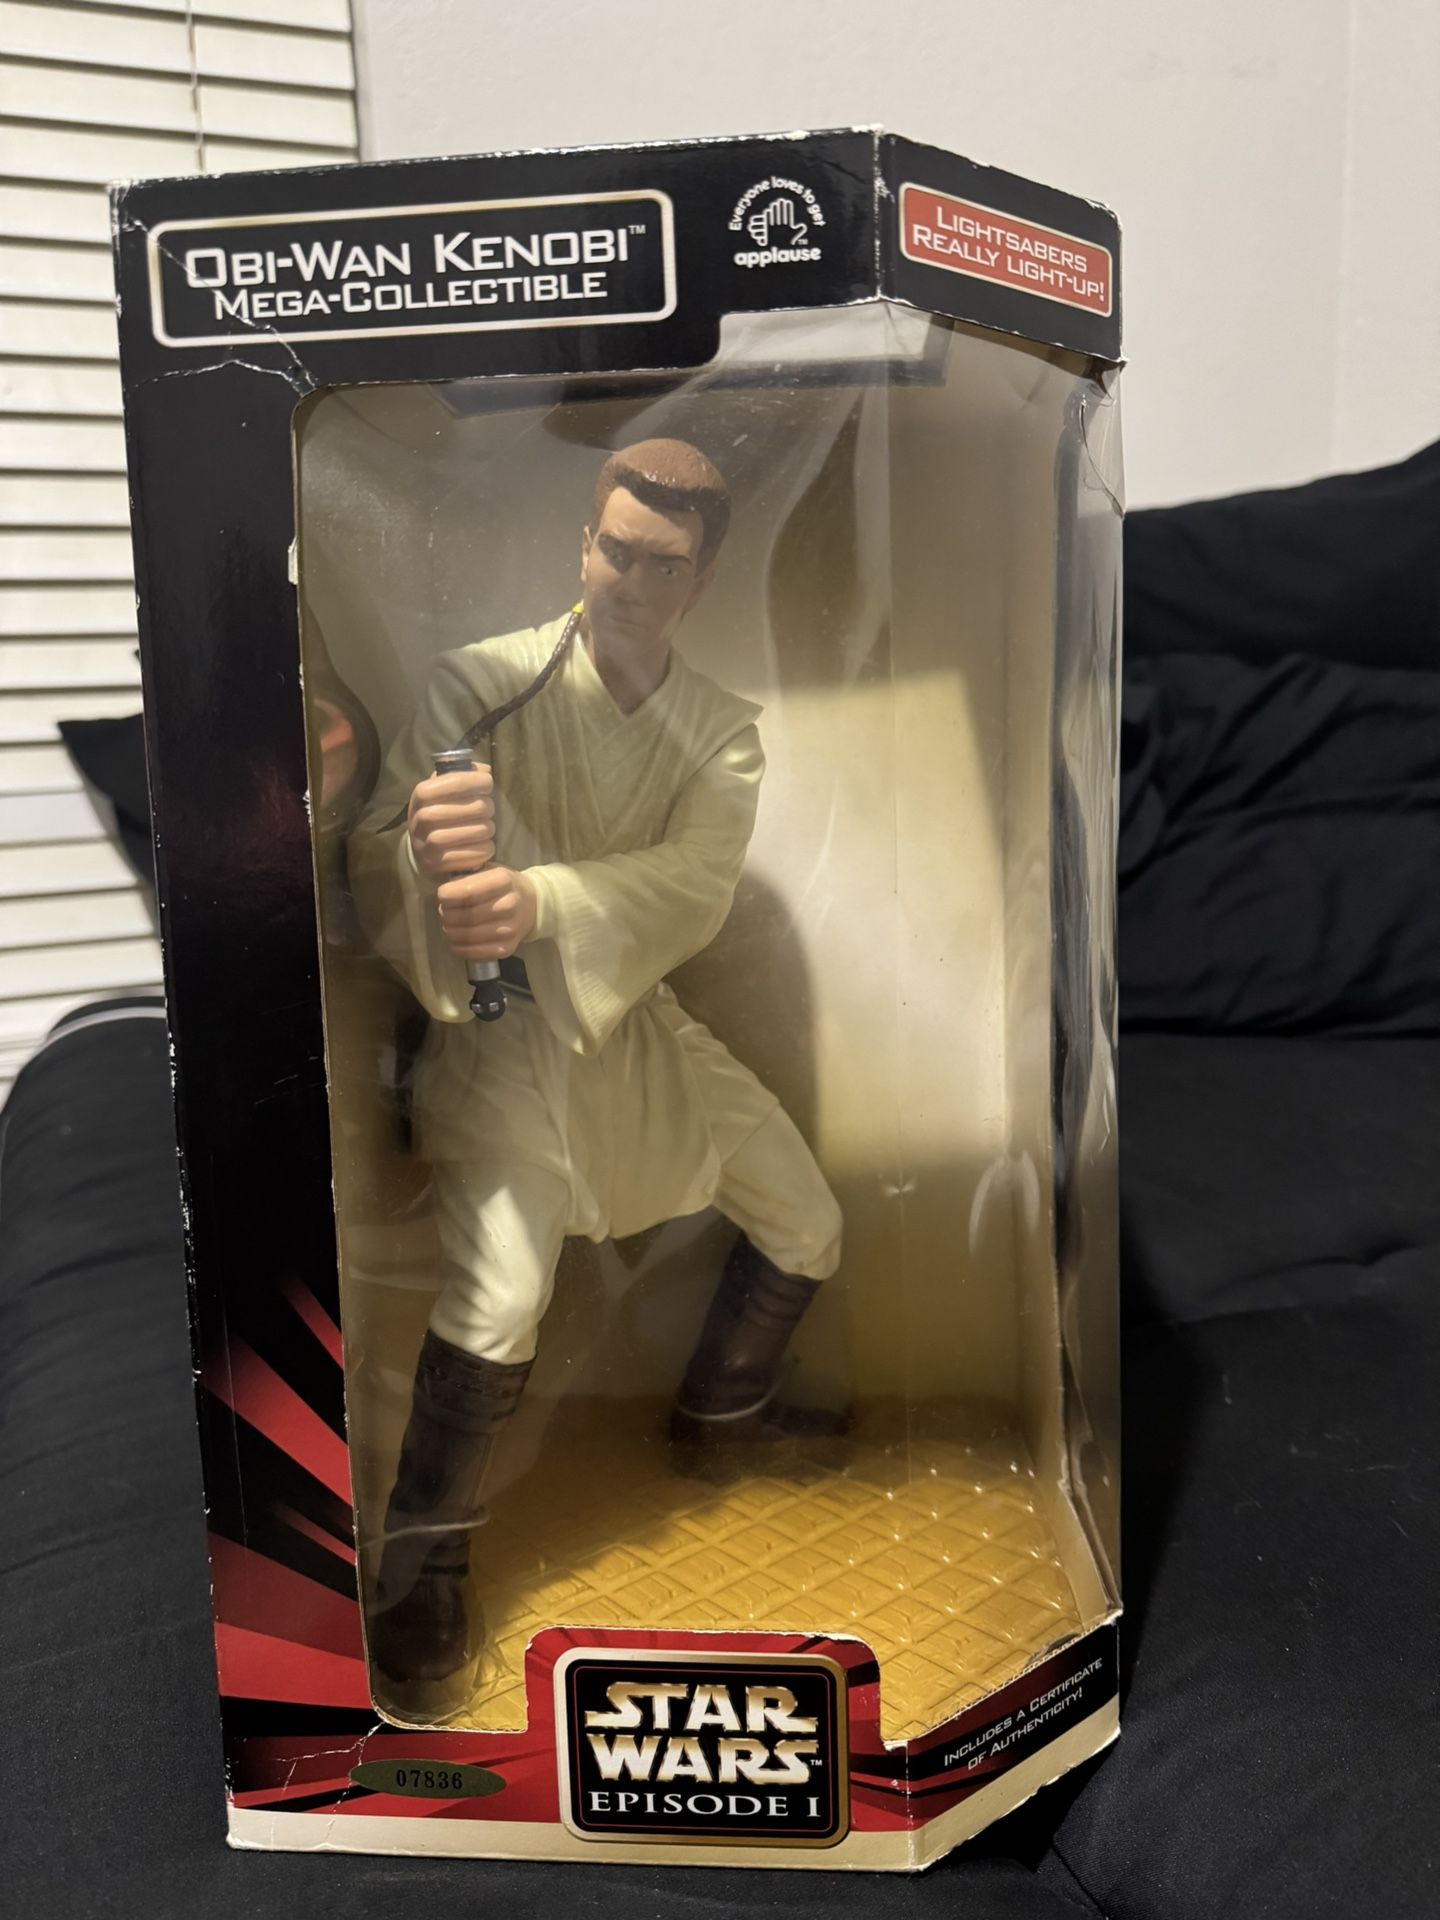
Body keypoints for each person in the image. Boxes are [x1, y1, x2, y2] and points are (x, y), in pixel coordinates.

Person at [347, 438, 846, 1718]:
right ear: (585, 545)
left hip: (635, 1030)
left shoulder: (721, 733)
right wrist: (425, 860)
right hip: (508, 1043)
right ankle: (420, 1566)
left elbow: (695, 885)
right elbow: (380, 852)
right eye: (616, 549)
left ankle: (720, 1419)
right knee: (502, 1294)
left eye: (664, 564)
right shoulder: (480, 685)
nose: (632, 579)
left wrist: (538, 899)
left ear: (703, 580)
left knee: (806, 1216)